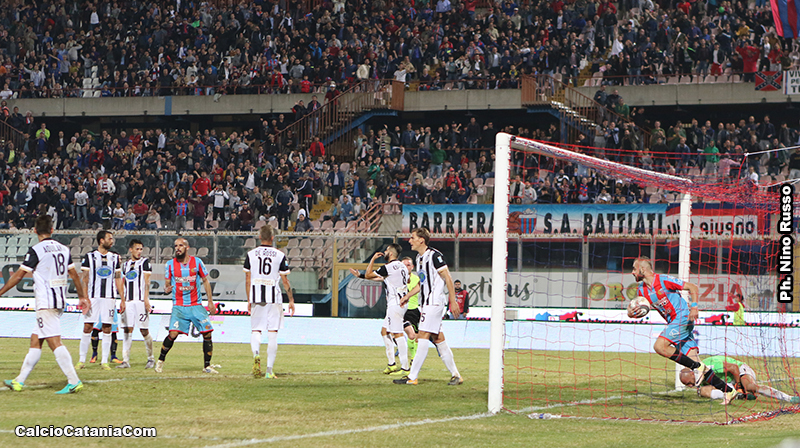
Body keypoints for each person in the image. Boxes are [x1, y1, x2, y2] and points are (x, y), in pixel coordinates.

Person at [2, 215, 90, 393]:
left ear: (35, 230)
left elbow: (19, 276)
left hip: (46, 302)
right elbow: (74, 275)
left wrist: (1, 291)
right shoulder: (63, 249)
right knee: (36, 339)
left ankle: (73, 380)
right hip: (59, 300)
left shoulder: (36, 250)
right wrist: (82, 297)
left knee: (54, 342)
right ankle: (19, 381)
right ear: (52, 230)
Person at [631, 257, 734, 400]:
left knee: (660, 346)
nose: (632, 272)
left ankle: (696, 367)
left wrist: (694, 307)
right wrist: (632, 314)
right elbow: (641, 309)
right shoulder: (641, 291)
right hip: (674, 324)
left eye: (634, 269)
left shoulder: (663, 280)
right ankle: (729, 391)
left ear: (642, 269)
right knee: (697, 364)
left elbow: (693, 287)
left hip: (683, 317)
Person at [394, 227, 463, 386]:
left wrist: (453, 301)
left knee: (422, 336)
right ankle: (456, 375)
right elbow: (422, 283)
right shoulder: (419, 258)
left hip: (434, 302)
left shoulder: (434, 256)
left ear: (421, 240)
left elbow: (448, 277)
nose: (409, 240)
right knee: (438, 339)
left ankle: (412, 376)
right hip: (426, 304)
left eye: (412, 238)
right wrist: (407, 296)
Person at [156, 238, 217, 374]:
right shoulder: (170, 265)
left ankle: (207, 366)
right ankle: (160, 361)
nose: (177, 248)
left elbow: (205, 281)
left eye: (180, 245)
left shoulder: (197, 262)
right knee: (173, 334)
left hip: (196, 305)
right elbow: (167, 285)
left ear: (187, 247)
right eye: (175, 246)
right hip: (179, 306)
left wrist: (210, 301)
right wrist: (167, 289)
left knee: (207, 333)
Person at [350, 244, 411, 376]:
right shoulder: (402, 266)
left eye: (387, 250)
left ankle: (405, 368)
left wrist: (372, 259)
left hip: (396, 303)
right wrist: (360, 276)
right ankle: (392, 364)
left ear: (391, 253)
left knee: (398, 334)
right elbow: (404, 280)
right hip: (401, 302)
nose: (385, 252)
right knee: (384, 331)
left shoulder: (388, 267)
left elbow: (369, 274)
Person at [244, 225, 295, 378]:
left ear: (260, 237)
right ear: (273, 238)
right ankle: (269, 371)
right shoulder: (280, 255)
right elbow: (285, 281)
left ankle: (256, 354)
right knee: (273, 333)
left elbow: (247, 279)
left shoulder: (251, 254)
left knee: (256, 330)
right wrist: (291, 300)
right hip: (273, 296)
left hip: (256, 295)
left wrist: (249, 299)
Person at [77, 230, 124, 371]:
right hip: (93, 297)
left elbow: (118, 278)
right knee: (88, 326)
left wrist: (122, 298)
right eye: (109, 238)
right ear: (101, 240)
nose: (112, 241)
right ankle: (81, 360)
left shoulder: (115, 258)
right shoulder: (89, 257)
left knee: (107, 327)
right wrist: (85, 297)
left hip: (109, 297)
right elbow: (85, 278)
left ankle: (104, 361)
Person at [679, 356, 799, 404]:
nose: (690, 386)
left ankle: (788, 398)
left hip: (740, 371)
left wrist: (739, 386)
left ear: (692, 373)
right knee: (702, 391)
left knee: (749, 386)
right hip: (729, 383)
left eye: (688, 383)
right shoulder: (699, 379)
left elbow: (734, 368)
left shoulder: (709, 365)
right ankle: (739, 396)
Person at [119, 239, 154, 369]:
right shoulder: (125, 265)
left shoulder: (145, 263)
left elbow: (147, 281)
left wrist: (146, 299)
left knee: (144, 330)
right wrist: (122, 300)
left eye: (141, 249)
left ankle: (151, 358)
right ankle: (125, 360)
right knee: (127, 329)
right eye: (137, 249)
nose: (139, 252)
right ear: (131, 250)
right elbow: (123, 283)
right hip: (128, 301)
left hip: (140, 301)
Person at [401, 257, 420, 361]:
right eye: (404, 265)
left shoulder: (417, 279)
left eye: (408, 265)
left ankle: (414, 358)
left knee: (416, 337)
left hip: (414, 310)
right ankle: (412, 357)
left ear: (412, 267)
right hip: (402, 310)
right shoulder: (396, 279)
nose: (406, 267)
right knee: (411, 335)